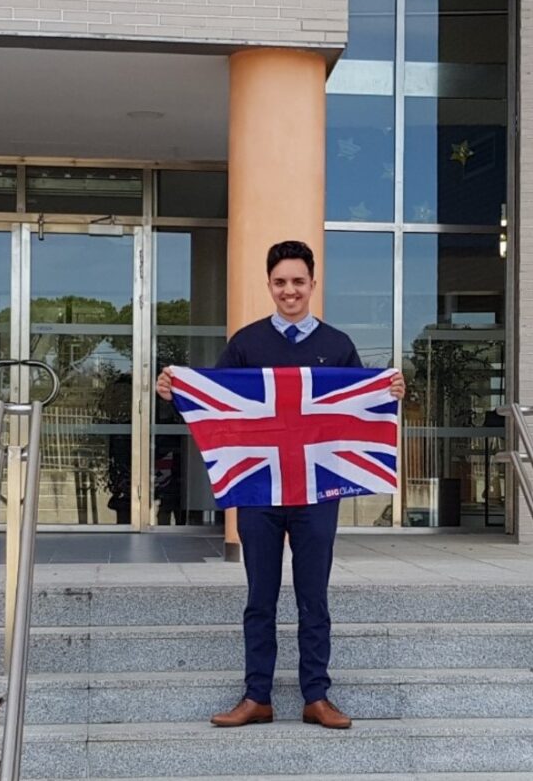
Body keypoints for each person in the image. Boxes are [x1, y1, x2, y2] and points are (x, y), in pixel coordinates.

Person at [156, 240, 405, 730]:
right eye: (279, 282)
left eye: (298, 281)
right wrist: (176, 393)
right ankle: (257, 697)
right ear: (269, 286)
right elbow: (217, 407)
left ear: (312, 284)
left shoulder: (337, 346)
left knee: (314, 596)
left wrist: (389, 393)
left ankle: (317, 696)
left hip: (316, 493)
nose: (289, 290)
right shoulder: (246, 344)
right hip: (260, 492)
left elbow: (359, 411)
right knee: (260, 597)